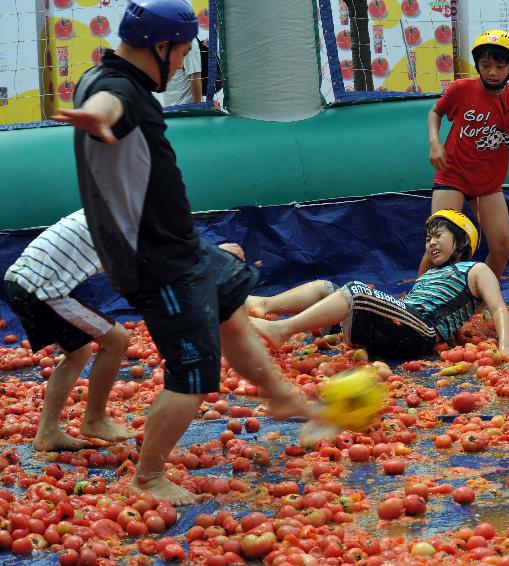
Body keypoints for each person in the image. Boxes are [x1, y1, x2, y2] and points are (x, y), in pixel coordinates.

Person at [53, 0, 314, 505]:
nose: (180, 64)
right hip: (156, 260)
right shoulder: (118, 89)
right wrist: (96, 117)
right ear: (162, 46)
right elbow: (112, 104)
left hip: (181, 245)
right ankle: (148, 477)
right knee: (193, 377)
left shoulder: (102, 73)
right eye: (181, 52)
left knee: (232, 302)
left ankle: (280, 397)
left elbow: (109, 99)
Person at [249, 210, 509, 364]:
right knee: (325, 287)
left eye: (438, 236)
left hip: (423, 330)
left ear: (463, 242)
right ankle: (265, 304)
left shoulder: (476, 270)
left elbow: (497, 306)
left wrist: (505, 347)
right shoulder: (428, 274)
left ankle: (281, 329)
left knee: (356, 290)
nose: (430, 243)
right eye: (427, 238)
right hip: (395, 327)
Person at [2, 210, 132, 452]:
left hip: (18, 284)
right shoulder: (120, 217)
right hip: (38, 289)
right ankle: (95, 420)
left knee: (80, 352)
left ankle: (48, 433)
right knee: (118, 340)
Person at [424, 31, 509, 279]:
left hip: (487, 184)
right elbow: (435, 112)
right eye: (486, 65)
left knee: (501, 247)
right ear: (477, 65)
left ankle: (477, 300)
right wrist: (435, 143)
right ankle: (416, 302)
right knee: (441, 243)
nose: (492, 72)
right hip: (452, 175)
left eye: (499, 66)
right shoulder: (462, 89)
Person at [163, 36, 202, 106]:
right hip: (169, 109)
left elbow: (195, 78)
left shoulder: (189, 42)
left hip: (186, 110)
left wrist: (196, 108)